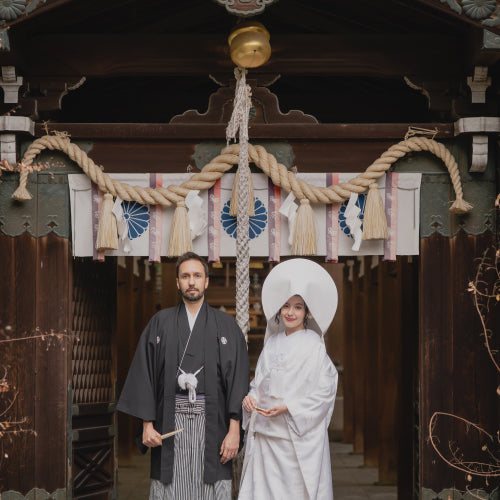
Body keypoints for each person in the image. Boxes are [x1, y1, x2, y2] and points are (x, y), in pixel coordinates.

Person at [117, 252, 250, 500]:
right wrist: (147, 424)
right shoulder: (160, 323)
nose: (191, 282)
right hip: (169, 422)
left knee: (212, 486)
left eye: (197, 276)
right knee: (169, 487)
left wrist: (234, 430)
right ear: (177, 282)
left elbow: (238, 380)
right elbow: (144, 373)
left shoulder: (226, 326)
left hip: (214, 425)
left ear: (206, 281)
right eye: (185, 276)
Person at [239, 258, 339, 500]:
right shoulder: (271, 343)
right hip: (267, 436)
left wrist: (289, 407)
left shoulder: (315, 346)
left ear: (307, 312)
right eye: (285, 306)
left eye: (297, 307)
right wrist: (251, 398)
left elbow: (326, 391)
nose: (290, 312)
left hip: (296, 439)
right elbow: (259, 382)